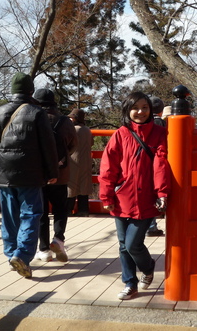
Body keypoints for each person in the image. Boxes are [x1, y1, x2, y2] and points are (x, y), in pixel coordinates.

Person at [99, 91, 171, 300]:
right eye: (135, 108)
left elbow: (161, 166)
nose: (140, 112)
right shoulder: (120, 134)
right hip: (122, 197)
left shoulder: (159, 133)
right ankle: (130, 284)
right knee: (123, 245)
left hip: (148, 198)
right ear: (127, 110)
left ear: (150, 110)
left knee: (132, 244)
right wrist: (106, 196)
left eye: (145, 107)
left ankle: (148, 268)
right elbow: (108, 168)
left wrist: (162, 192)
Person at [0, 72, 58, 279]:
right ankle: (22, 255)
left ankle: (11, 254)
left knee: (9, 218)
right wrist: (52, 172)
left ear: (12, 90)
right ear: (30, 90)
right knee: (31, 215)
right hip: (30, 172)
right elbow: (48, 145)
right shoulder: (36, 112)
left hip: (4, 173)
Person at [33, 88, 77, 263]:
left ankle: (43, 249)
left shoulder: (34, 119)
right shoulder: (65, 121)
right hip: (60, 172)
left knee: (41, 212)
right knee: (60, 208)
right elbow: (73, 146)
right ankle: (58, 238)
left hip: (39, 172)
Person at [67, 108, 93, 217]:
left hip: (73, 161)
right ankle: (83, 210)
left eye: (72, 117)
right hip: (86, 161)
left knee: (71, 186)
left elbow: (67, 143)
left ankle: (68, 210)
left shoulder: (73, 130)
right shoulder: (87, 130)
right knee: (84, 186)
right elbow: (91, 143)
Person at [146, 96, 166, 237]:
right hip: (163, 162)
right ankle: (156, 225)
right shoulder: (165, 124)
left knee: (148, 194)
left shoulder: (144, 123)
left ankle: (150, 225)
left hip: (146, 161)